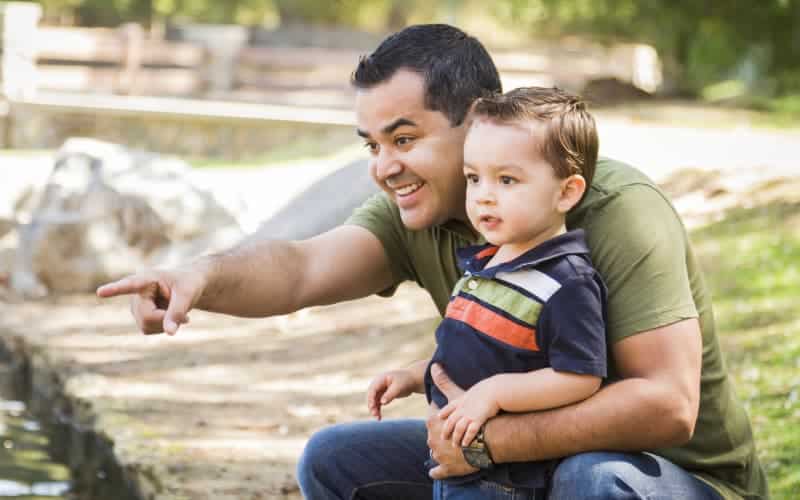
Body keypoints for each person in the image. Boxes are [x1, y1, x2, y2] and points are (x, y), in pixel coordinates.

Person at [97, 24, 768, 500]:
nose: (384, 167)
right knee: (336, 462)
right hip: (524, 462)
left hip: (667, 477)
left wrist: (488, 444)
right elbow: (301, 269)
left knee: (590, 479)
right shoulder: (415, 212)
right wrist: (201, 277)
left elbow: (668, 405)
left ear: (477, 120)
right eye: (371, 144)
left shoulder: (612, 207)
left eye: (405, 138)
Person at [365, 87, 608, 500]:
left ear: (566, 192)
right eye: (474, 178)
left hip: (504, 477)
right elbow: (475, 355)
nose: (483, 195)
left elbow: (579, 377)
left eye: (507, 179)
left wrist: (492, 395)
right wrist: (412, 375)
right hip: (455, 460)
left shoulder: (565, 282)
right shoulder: (486, 264)